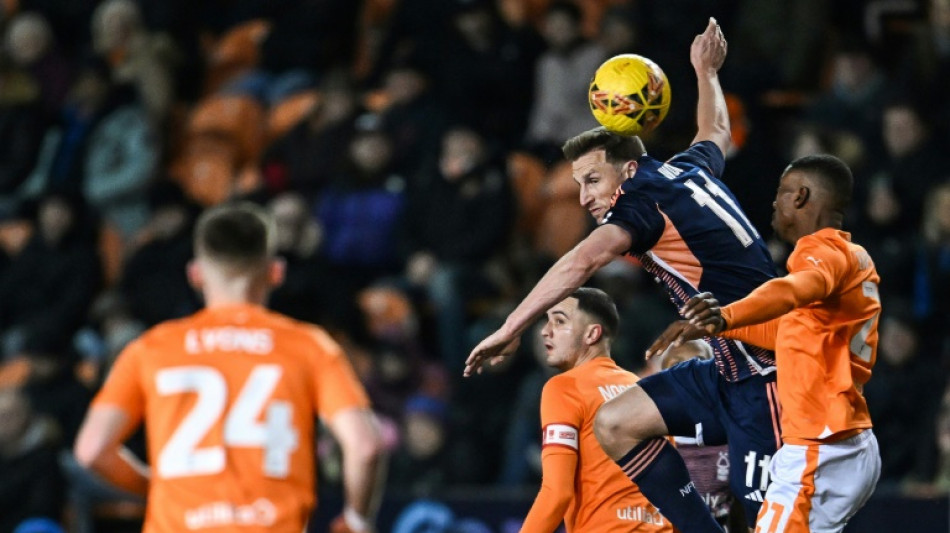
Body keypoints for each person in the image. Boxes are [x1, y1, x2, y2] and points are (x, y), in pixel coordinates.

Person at [466, 19, 780, 532]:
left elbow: (580, 262)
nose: (585, 195)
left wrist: (509, 329)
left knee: (775, 520)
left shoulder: (641, 208)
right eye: (578, 183)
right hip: (725, 367)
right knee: (617, 422)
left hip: (762, 372)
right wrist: (705, 72)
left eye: (593, 179)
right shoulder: (686, 171)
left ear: (628, 171)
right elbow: (716, 131)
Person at [73, 203, 385, 533]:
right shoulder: (309, 346)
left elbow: (92, 451)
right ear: (275, 272)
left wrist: (156, 488)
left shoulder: (151, 349)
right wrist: (356, 518)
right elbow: (365, 445)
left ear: (195, 274)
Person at [647, 154, 882, 532]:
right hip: (850, 442)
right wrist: (716, 326)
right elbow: (789, 332)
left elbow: (792, 291)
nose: (775, 202)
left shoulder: (820, 252)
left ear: (802, 196)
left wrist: (727, 315)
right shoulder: (856, 258)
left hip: (818, 450)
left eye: (782, 193)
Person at [522, 288, 672, 532]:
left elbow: (557, 493)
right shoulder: (644, 389)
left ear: (592, 333)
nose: (545, 331)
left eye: (559, 321)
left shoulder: (564, 387)